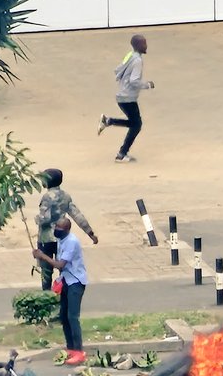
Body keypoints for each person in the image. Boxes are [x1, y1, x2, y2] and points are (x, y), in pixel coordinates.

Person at [32, 217, 88, 366]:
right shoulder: (62, 240)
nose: (56, 230)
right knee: (63, 316)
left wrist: (42, 256)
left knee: (72, 317)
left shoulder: (71, 242)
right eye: (56, 227)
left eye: (59, 229)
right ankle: (71, 348)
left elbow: (60, 265)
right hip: (66, 281)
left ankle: (79, 351)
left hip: (76, 282)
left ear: (67, 230)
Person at [34, 168, 98, 292]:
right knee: (62, 269)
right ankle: (61, 293)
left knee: (46, 271)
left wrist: (36, 219)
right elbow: (77, 215)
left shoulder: (47, 197)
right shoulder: (66, 196)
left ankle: (46, 295)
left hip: (46, 238)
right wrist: (90, 232)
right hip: (60, 238)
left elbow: (44, 218)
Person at [97, 34, 154, 163]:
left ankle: (108, 121)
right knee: (136, 125)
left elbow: (117, 70)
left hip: (122, 96)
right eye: (144, 43)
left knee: (135, 124)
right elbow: (134, 81)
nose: (146, 45)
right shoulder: (138, 61)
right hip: (128, 98)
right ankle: (121, 154)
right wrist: (147, 85)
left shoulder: (130, 55)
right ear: (138, 46)